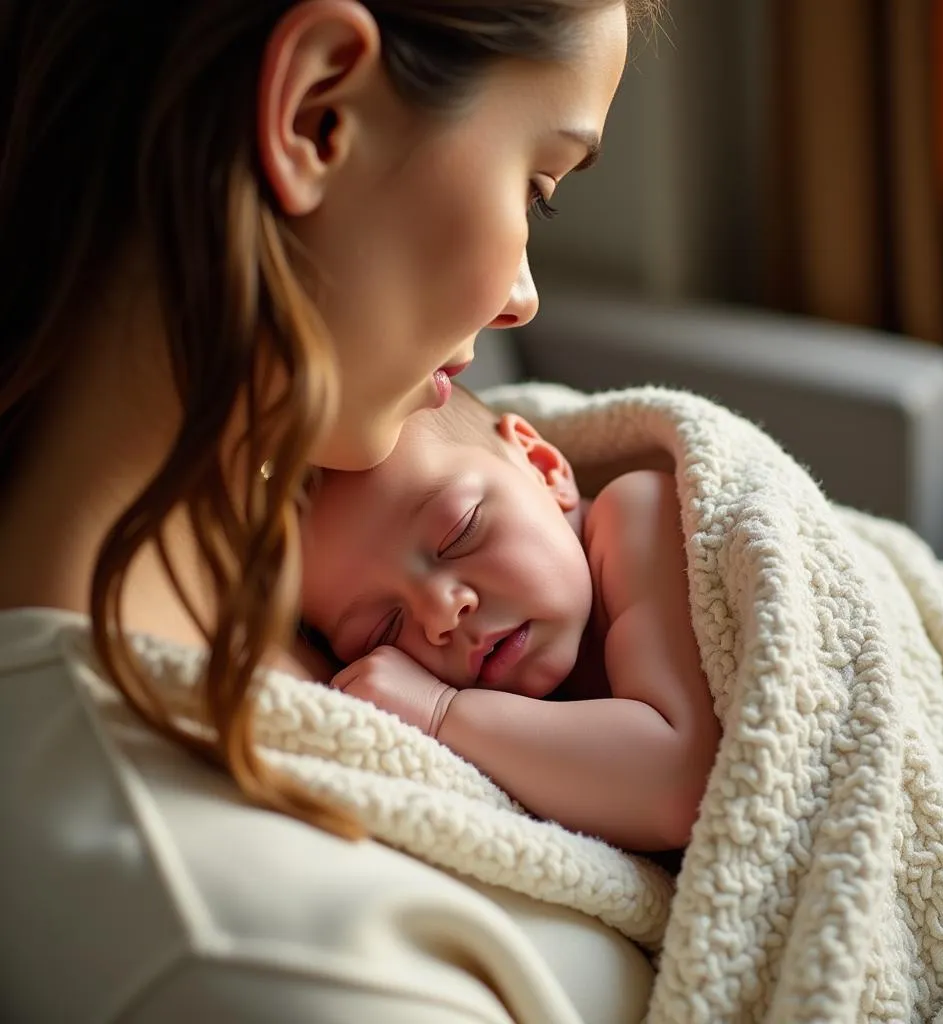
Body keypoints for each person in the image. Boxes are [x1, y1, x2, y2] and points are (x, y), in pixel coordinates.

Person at [0, 2, 660, 1020]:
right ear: (317, 113)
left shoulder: (345, 482)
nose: (521, 298)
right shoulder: (254, 958)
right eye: (536, 185)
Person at [300, 387, 721, 852]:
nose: (442, 612)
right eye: (383, 630)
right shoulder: (495, 735)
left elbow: (680, 786)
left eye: (460, 532)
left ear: (543, 467)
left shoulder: (636, 515)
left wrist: (440, 711)